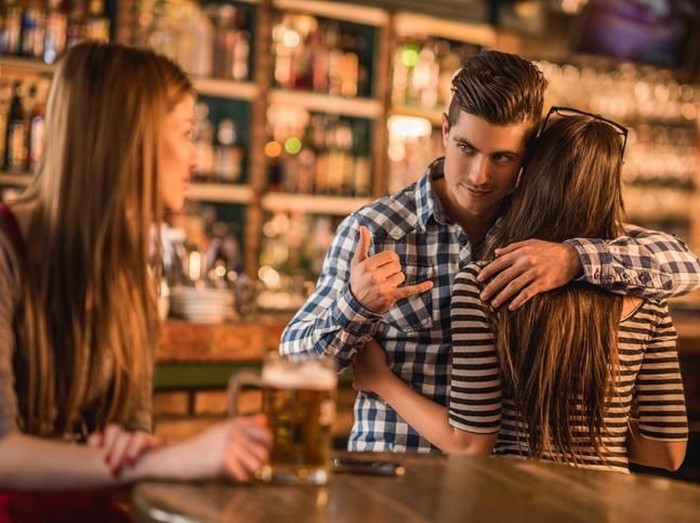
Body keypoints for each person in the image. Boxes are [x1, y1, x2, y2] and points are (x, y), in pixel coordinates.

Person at [279, 50, 700, 453]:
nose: (480, 175)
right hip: (396, 471)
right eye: (466, 148)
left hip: (497, 488)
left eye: (502, 157)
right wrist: (356, 306)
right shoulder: (376, 230)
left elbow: (685, 267)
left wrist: (573, 259)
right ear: (445, 132)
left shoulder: (546, 229)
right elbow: (295, 363)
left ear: (529, 156)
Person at [0, 40, 271, 501]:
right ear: (133, 137)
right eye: (186, 133)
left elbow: (129, 440)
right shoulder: (7, 249)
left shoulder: (132, 273)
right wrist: (176, 457)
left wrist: (136, 451)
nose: (196, 159)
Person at [352, 108, 688, 473]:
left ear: (527, 174)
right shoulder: (648, 298)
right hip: (608, 506)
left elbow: (468, 443)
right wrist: (593, 436)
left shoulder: (485, 285)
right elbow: (668, 453)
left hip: (512, 497)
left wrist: (380, 381)